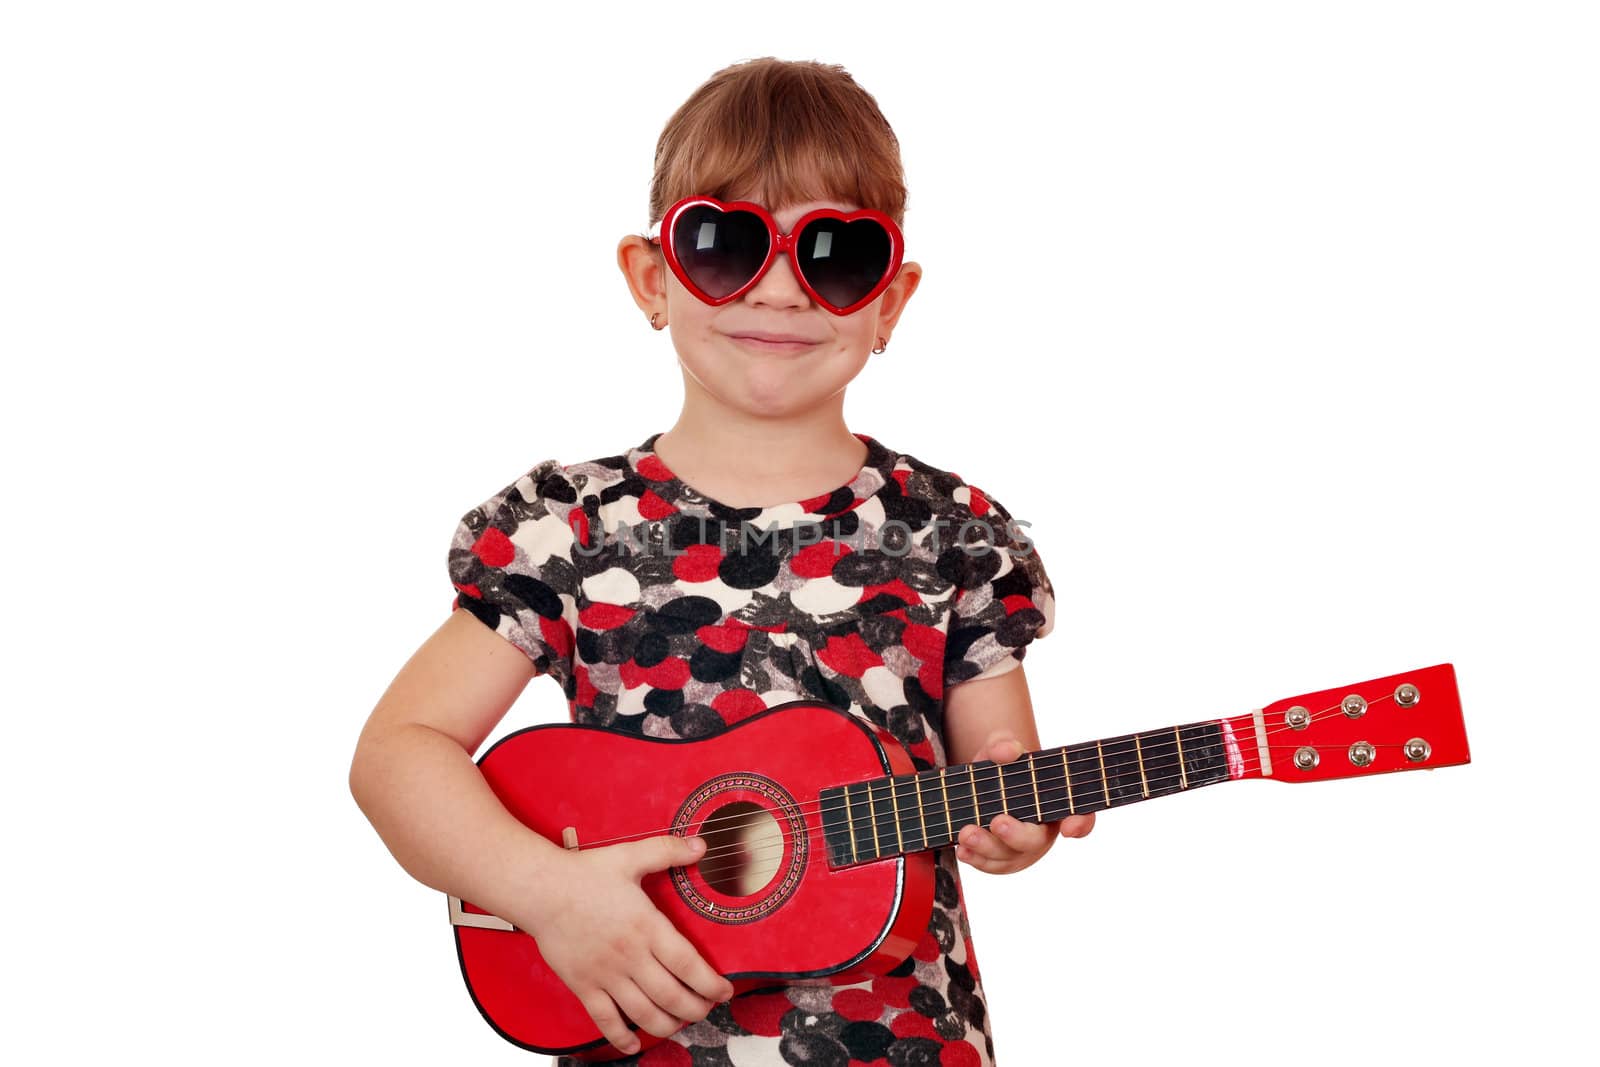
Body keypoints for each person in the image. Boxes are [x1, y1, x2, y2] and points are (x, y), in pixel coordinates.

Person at [349, 56, 1095, 1067]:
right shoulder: (570, 526)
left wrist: (1017, 822)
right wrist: (547, 892)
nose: (781, 289)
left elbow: (999, 777)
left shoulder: (953, 533)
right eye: (725, 243)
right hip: (641, 1035)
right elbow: (399, 752)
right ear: (652, 277)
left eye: (835, 256)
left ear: (890, 301)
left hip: (899, 1042)